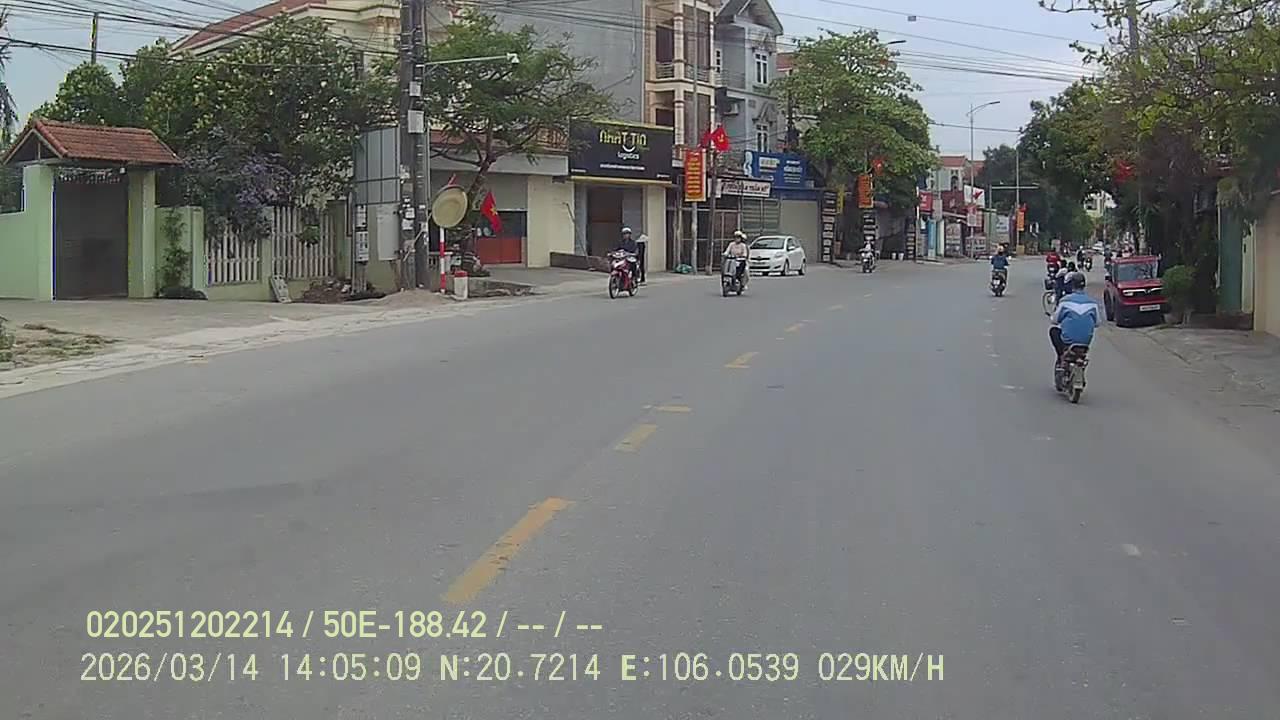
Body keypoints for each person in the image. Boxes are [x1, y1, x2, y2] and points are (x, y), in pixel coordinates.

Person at [1050, 271, 1100, 367]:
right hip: (1085, 342)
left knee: (1053, 331)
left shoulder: (1065, 301)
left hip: (1068, 341)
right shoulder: (1093, 303)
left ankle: (1062, 356)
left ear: (1071, 285)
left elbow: (1055, 321)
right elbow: (1097, 323)